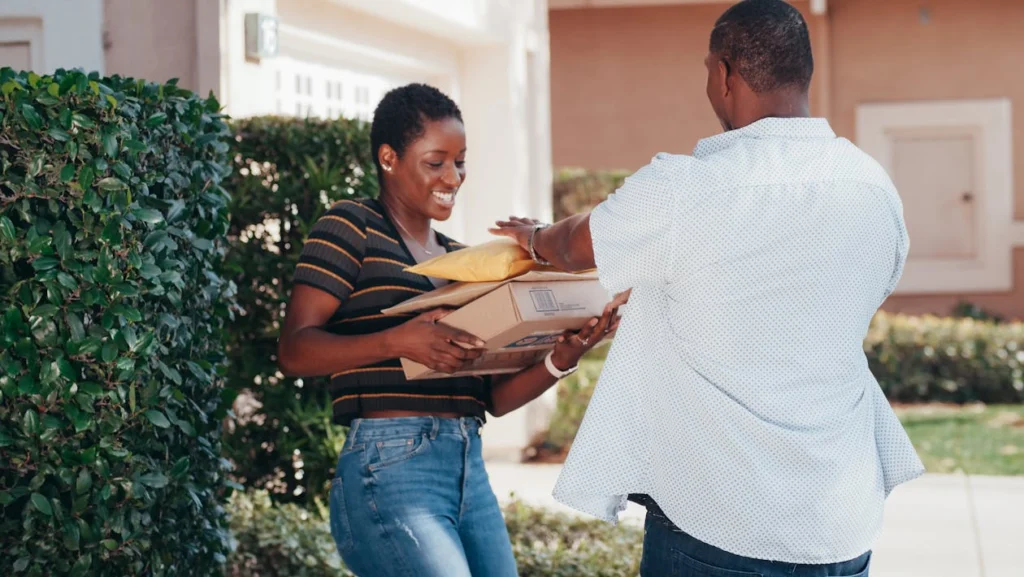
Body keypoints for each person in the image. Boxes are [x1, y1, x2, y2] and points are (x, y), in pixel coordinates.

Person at [491, 1, 924, 575]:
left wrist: (536, 236)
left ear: (725, 73)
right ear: (803, 74)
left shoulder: (687, 189)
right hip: (839, 522)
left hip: (718, 518)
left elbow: (576, 246)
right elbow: (873, 288)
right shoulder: (875, 188)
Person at [276, 83, 617, 577]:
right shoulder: (351, 226)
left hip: (467, 465)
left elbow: (490, 399)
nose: (452, 177)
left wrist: (562, 357)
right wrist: (397, 340)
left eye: (460, 161)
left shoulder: (464, 262)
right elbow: (294, 351)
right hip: (389, 464)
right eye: (436, 162)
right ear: (389, 158)